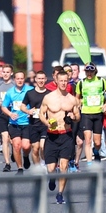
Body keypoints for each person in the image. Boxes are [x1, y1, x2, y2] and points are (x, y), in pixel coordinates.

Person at [39, 70, 81, 204]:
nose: (63, 83)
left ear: (68, 81)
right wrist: (47, 123)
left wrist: (73, 117)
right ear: (56, 81)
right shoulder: (48, 98)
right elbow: (41, 114)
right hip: (52, 136)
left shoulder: (72, 99)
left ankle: (60, 193)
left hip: (66, 136)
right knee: (51, 168)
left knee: (64, 166)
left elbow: (78, 116)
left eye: (65, 81)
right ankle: (52, 177)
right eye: (61, 80)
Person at [75, 62, 106, 165]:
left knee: (97, 142)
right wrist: (79, 104)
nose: (89, 73)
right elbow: (77, 97)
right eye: (87, 71)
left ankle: (96, 151)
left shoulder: (101, 81)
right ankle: (90, 164)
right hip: (86, 114)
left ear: (95, 71)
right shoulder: (81, 83)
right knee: (88, 140)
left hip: (98, 113)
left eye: (91, 71)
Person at [1, 71, 34, 175]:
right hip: (14, 123)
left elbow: (36, 103)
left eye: (21, 78)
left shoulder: (30, 90)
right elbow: (3, 107)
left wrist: (31, 112)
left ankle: (25, 156)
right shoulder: (10, 93)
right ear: (14, 80)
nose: (20, 80)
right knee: (16, 145)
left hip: (27, 123)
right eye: (18, 79)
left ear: (24, 79)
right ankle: (20, 168)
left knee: (26, 146)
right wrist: (10, 114)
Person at [20, 70, 51, 166]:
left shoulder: (50, 94)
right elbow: (22, 106)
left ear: (45, 79)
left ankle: (45, 165)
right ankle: (38, 169)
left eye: (43, 78)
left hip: (45, 124)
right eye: (39, 79)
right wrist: (28, 111)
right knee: (35, 148)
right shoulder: (30, 93)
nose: (41, 81)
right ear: (35, 80)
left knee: (43, 146)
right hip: (33, 124)